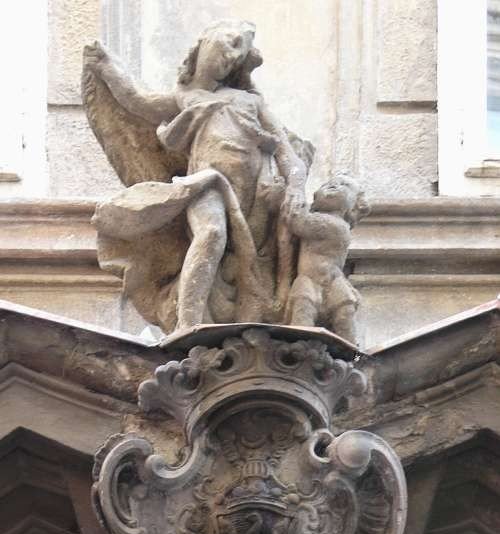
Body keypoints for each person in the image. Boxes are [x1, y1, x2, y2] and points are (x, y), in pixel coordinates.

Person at [84, 20, 309, 330]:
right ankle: (187, 326)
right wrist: (106, 67)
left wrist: (295, 184)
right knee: (212, 233)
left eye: (239, 54)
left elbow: (286, 151)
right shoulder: (185, 98)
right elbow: (137, 102)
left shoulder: (251, 101)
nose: (231, 56)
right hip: (207, 184)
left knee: (251, 262)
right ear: (204, 42)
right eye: (229, 43)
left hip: (254, 193)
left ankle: (252, 318)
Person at [284, 173, 370, 344]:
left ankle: (345, 349)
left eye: (344, 185)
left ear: (352, 208)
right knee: (306, 307)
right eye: (329, 184)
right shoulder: (333, 222)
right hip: (313, 279)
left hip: (330, 279)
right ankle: (348, 349)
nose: (335, 185)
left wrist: (294, 187)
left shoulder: (332, 224)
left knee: (342, 311)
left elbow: (296, 221)